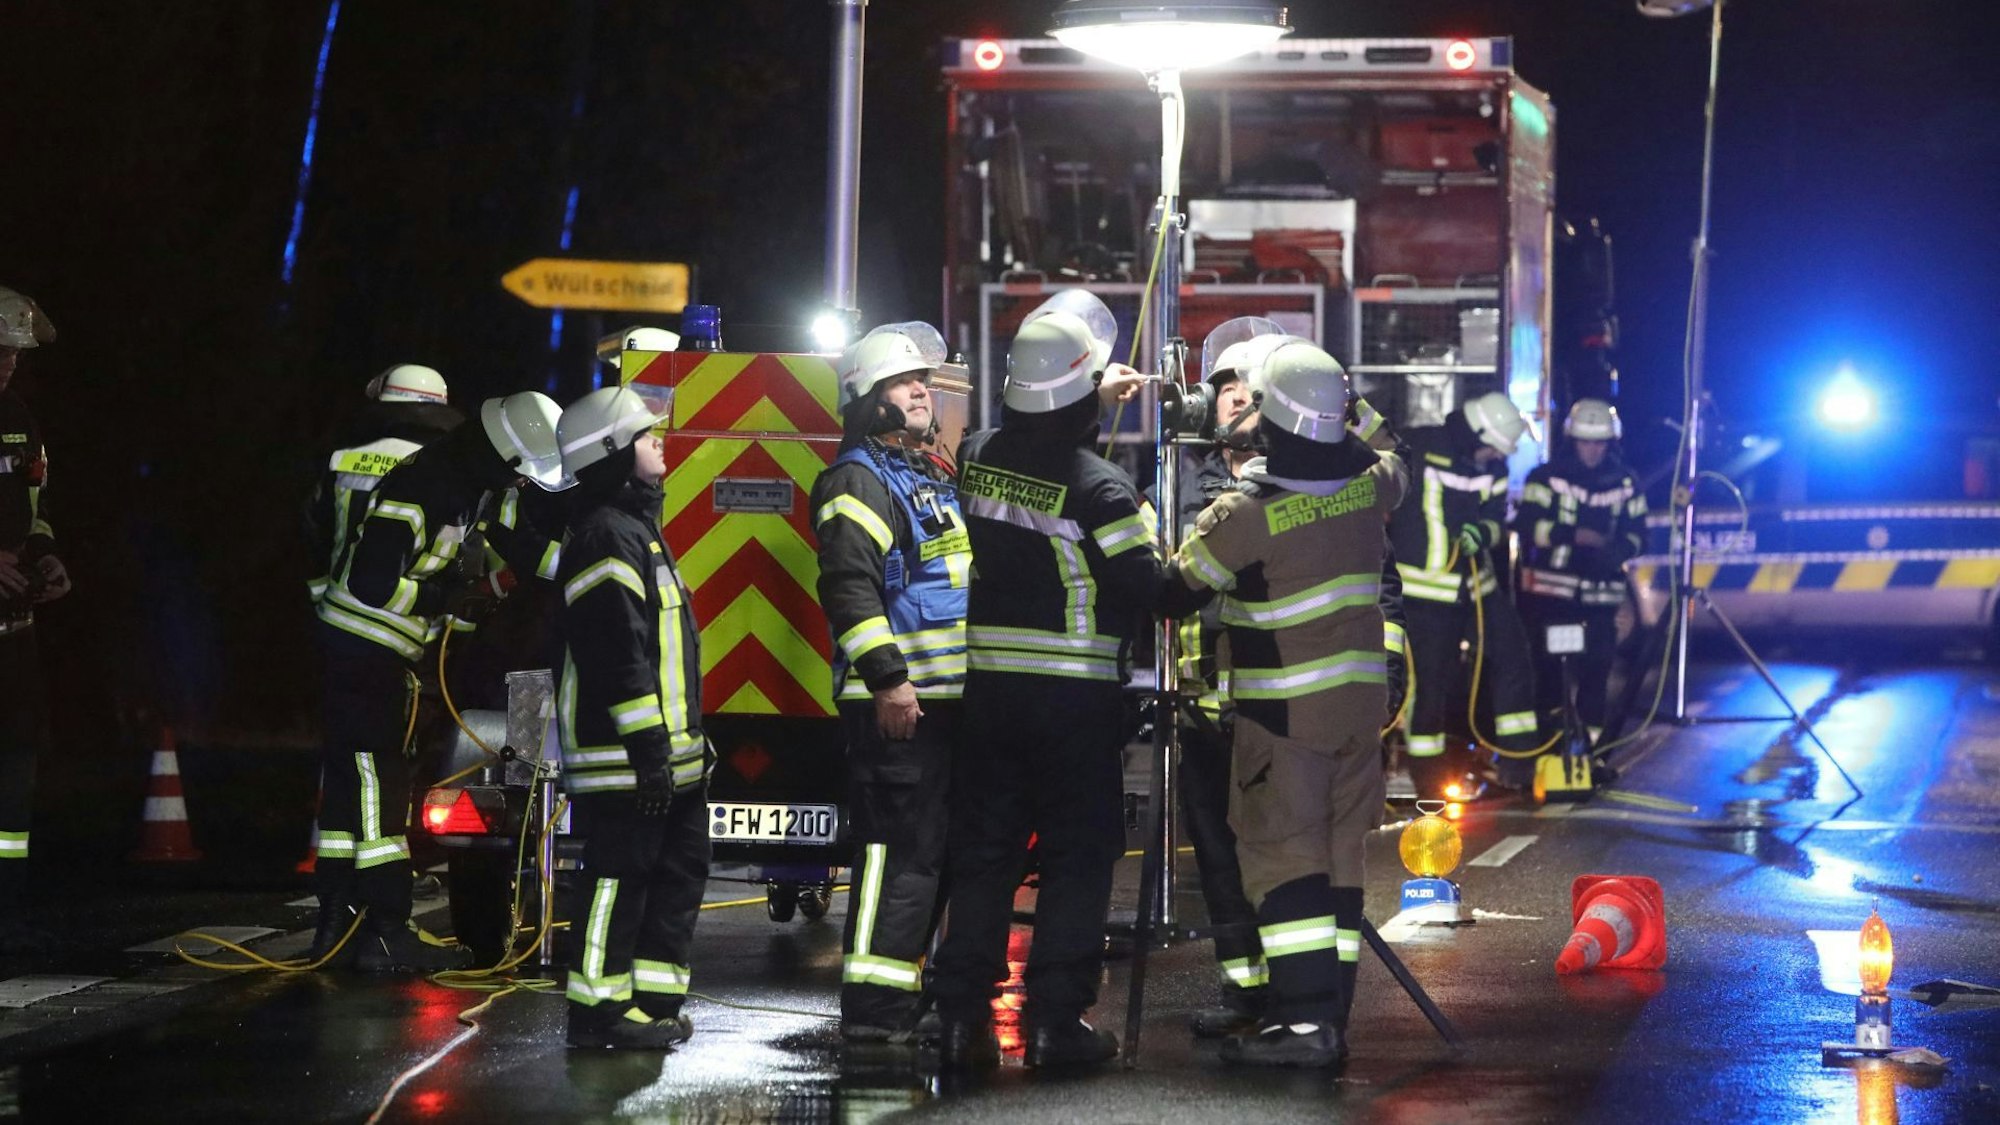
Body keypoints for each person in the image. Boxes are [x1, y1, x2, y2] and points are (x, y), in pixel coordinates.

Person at [1160, 341, 1408, 1067]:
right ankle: (1329, 1016)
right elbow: (1396, 453)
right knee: (1339, 860)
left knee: (1282, 860)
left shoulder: (1246, 514)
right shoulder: (1371, 489)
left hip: (1283, 722)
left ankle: (1302, 1028)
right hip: (1358, 721)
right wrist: (1347, 399)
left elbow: (1175, 590)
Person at [927, 290, 1154, 1070]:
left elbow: (1034, 451)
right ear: (1084, 394)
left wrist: (1090, 389)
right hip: (1074, 707)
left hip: (988, 698)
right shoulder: (1104, 489)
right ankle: (1057, 1024)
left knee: (984, 855)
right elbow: (1145, 589)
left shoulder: (981, 453)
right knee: (1077, 859)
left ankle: (961, 1022)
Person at [312, 391, 567, 971]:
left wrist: (588, 561)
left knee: (352, 792)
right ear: (502, 454)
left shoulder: (476, 487)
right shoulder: (422, 488)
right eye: (521, 471)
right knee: (380, 784)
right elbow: (373, 584)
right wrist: (446, 597)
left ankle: (336, 926)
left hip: (380, 654)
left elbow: (524, 545)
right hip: (361, 651)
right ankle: (384, 927)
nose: (524, 485)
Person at [808, 322, 969, 1043]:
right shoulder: (859, 479)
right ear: (864, 398)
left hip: (942, 702)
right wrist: (888, 679)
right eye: (902, 381)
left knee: (927, 853)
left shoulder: (926, 474)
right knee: (895, 855)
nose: (919, 390)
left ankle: (903, 993)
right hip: (899, 703)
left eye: (924, 382)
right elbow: (848, 585)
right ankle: (874, 1008)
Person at [554, 385, 711, 1050]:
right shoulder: (604, 537)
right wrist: (649, 749)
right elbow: (619, 653)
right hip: (624, 758)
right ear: (614, 455)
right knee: (619, 880)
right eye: (646, 436)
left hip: (664, 756)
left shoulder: (637, 531)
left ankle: (651, 1004)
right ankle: (597, 1011)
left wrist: (687, 748)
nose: (660, 444)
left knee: (675, 876)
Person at [1388, 391, 1544, 798]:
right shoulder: (1417, 447)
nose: (1496, 456)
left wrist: (1484, 533)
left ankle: (1517, 762)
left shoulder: (1495, 465)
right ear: (1476, 433)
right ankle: (1428, 781)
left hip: (1476, 587)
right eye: (1493, 447)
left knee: (1512, 656)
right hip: (1423, 597)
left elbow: (1496, 519)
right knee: (1429, 685)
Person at [1513, 398, 1648, 747]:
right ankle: (1549, 745)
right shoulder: (1545, 478)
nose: (1593, 450)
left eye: (1599, 442)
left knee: (1597, 672)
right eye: (1586, 442)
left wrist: (1616, 550)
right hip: (1551, 597)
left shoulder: (1626, 482)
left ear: (1610, 442)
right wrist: (1572, 536)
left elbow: (1639, 534)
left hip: (1601, 600)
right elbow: (1527, 525)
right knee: (1550, 674)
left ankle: (1591, 748)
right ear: (1572, 440)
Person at [0, 285, 69, 956]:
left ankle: (8, 902)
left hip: (14, 631)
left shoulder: (20, 417)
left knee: (18, 756)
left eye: (16, 355)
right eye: (0, 352)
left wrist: (46, 556)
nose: (8, 366)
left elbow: (34, 507)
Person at [305, 364, 463, 604]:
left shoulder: (341, 456)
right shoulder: (450, 472)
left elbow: (315, 531)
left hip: (336, 606)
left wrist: (318, 593)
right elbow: (461, 552)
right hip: (409, 621)